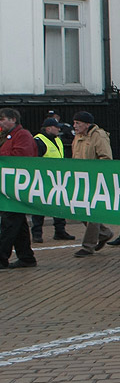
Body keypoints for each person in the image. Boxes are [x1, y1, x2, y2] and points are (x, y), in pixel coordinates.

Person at [0, 108, 39, 268]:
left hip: (17, 187)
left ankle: (1, 257)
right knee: (17, 222)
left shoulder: (23, 136)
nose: (0, 123)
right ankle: (26, 256)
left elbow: (22, 158)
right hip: (9, 186)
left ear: (13, 119)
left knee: (9, 222)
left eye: (2, 119)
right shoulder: (7, 137)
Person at [71, 111, 114, 257]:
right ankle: (104, 233)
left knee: (92, 212)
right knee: (80, 210)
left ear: (87, 124)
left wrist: (93, 171)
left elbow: (106, 158)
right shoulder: (77, 137)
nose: (75, 126)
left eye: (78, 123)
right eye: (74, 123)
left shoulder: (98, 136)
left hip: (95, 180)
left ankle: (88, 246)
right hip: (80, 180)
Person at [30, 117, 75, 242]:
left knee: (59, 206)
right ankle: (37, 233)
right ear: (48, 128)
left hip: (57, 179)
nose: (59, 129)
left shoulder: (57, 140)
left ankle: (60, 231)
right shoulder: (39, 140)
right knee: (39, 207)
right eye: (57, 127)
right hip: (42, 179)